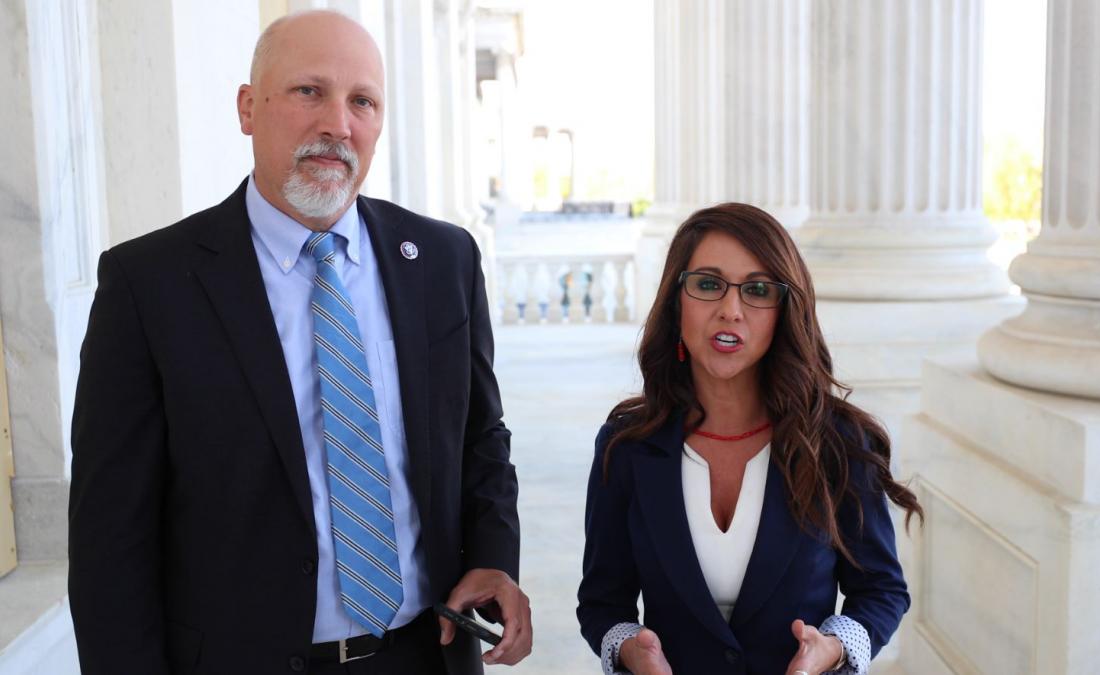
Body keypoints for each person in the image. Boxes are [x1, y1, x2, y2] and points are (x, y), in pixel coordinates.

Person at [68, 10, 530, 674]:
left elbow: (481, 436)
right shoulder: (150, 285)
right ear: (248, 107)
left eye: (362, 101)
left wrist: (493, 554)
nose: (337, 125)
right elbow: (111, 539)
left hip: (427, 657)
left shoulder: (442, 260)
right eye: (309, 91)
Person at [577, 203, 922, 674]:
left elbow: (881, 591)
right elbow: (602, 603)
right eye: (707, 284)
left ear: (784, 311)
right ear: (676, 300)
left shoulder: (838, 441)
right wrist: (628, 648)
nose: (730, 310)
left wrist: (835, 647)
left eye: (758, 290)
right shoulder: (626, 445)